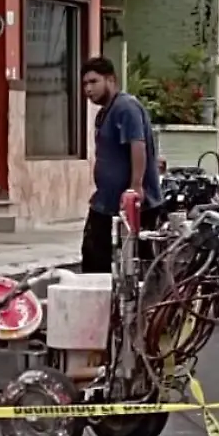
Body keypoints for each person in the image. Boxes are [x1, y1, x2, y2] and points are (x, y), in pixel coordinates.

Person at [78, 56, 163, 274]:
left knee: (141, 262)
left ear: (110, 80)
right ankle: (104, 303)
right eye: (85, 84)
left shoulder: (126, 107)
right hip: (106, 201)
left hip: (132, 203)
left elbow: (137, 145)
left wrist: (136, 185)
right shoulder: (104, 113)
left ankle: (150, 304)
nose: (88, 89)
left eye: (93, 82)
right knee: (95, 256)